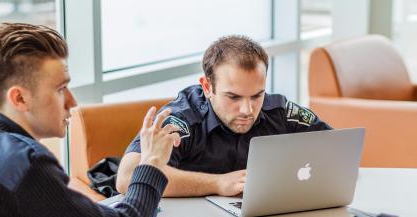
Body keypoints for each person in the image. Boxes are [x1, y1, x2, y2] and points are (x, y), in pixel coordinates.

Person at [0, 23, 180, 217]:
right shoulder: (23, 162)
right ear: (19, 98)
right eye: (60, 89)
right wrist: (153, 162)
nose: (72, 102)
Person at [116, 35, 332, 197]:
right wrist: (217, 183)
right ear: (207, 87)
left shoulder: (280, 111)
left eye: (257, 95)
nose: (247, 110)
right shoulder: (183, 119)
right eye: (234, 97)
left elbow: (336, 148)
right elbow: (127, 178)